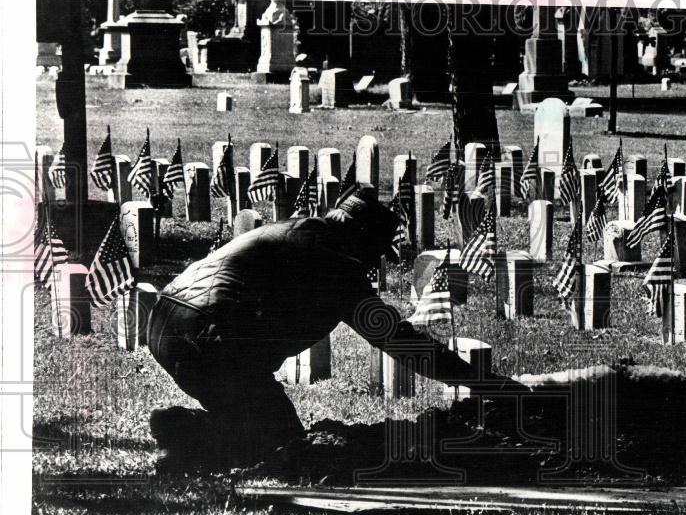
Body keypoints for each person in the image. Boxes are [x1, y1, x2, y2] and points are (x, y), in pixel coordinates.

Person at [146, 184, 525, 473]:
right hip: (210, 337)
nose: (375, 260)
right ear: (359, 237)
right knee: (281, 445)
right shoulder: (334, 263)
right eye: (376, 250)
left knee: (267, 426)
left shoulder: (301, 234)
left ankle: (186, 427)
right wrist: (492, 385)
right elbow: (401, 343)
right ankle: (186, 436)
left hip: (167, 322)